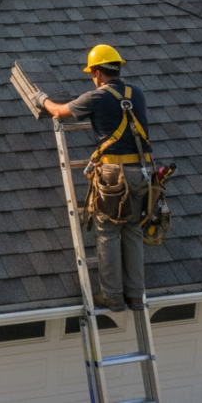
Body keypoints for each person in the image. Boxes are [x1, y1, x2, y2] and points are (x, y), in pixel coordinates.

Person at [40, 45, 152, 313]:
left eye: (92, 73)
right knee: (133, 229)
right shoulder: (136, 93)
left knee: (109, 230)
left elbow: (59, 111)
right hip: (142, 172)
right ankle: (136, 296)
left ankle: (112, 296)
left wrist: (41, 99)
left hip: (114, 174)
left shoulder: (97, 97)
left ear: (99, 72)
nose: (92, 77)